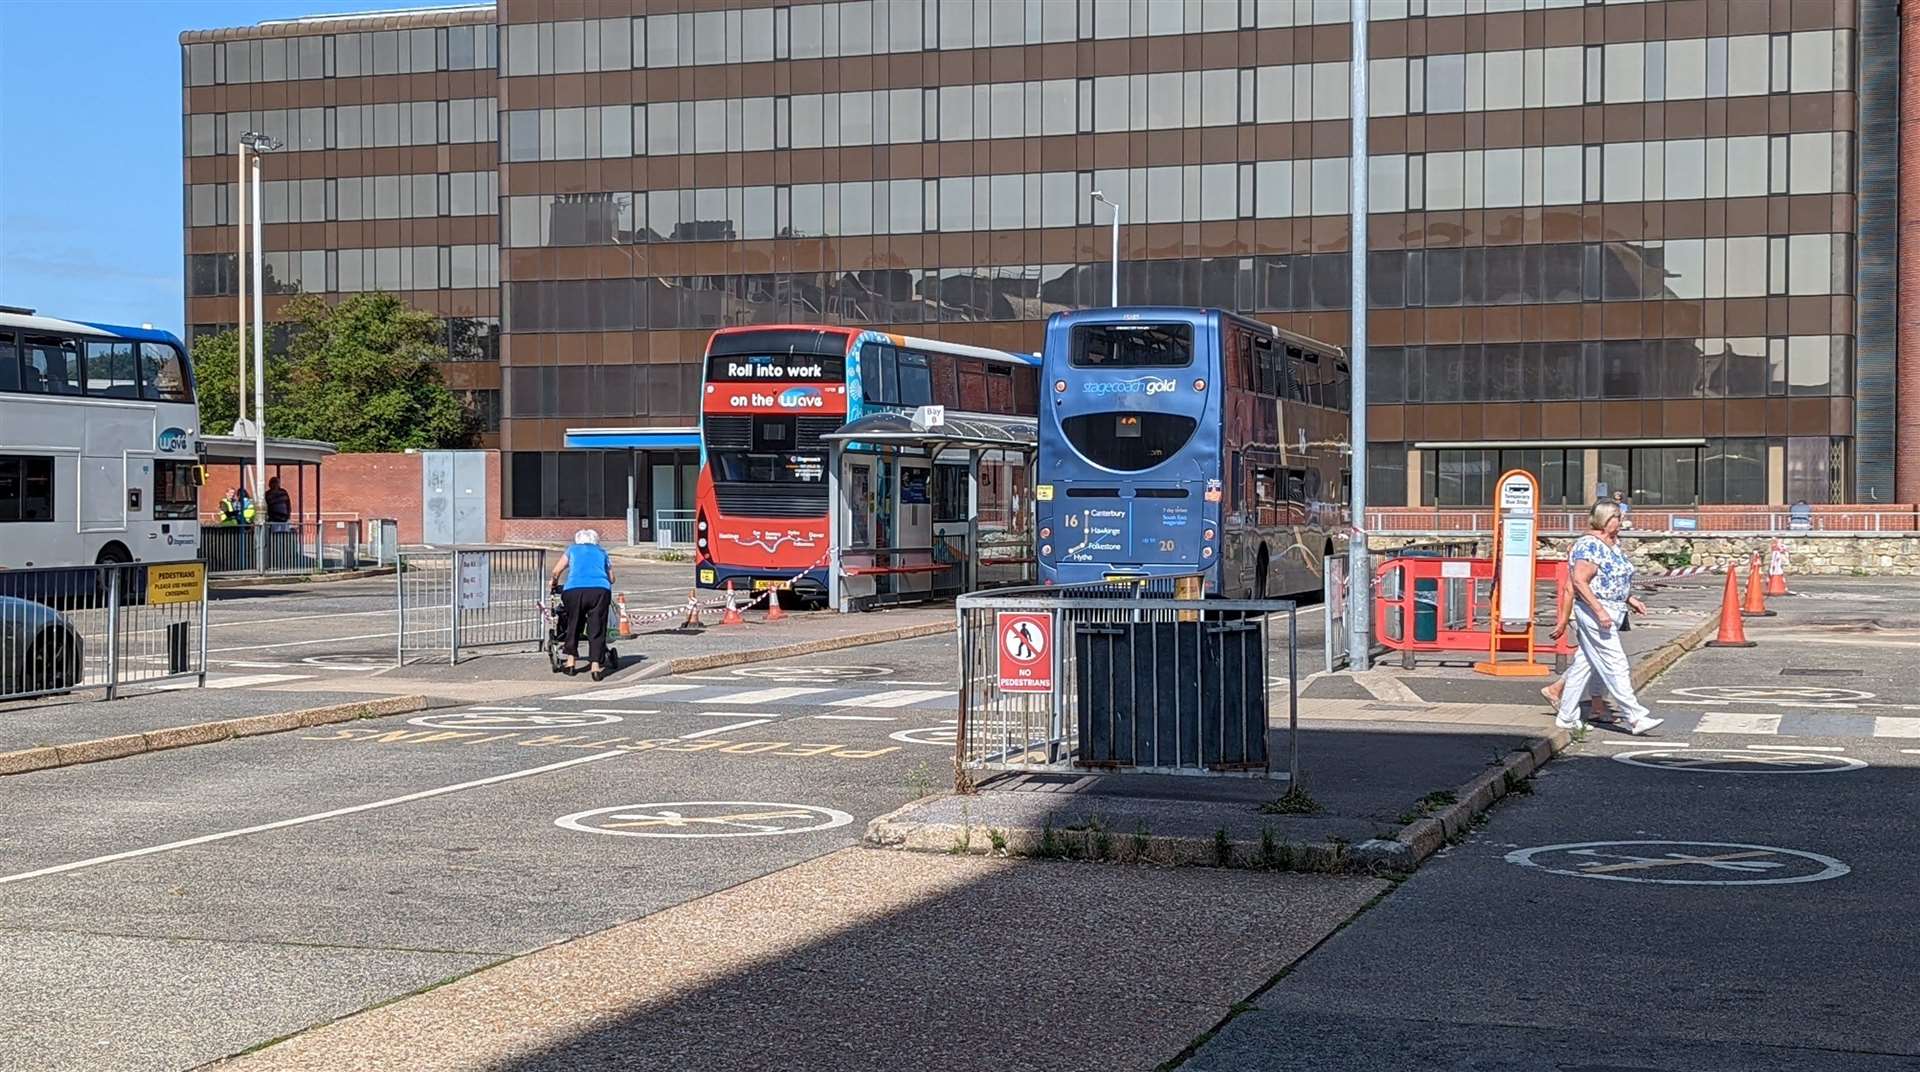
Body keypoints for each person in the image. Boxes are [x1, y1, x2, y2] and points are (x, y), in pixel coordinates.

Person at [1554, 501, 1662, 735]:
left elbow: (1614, 577)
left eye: (1620, 517)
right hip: (1595, 611)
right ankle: (1635, 716)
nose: (1620, 522)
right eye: (1616, 517)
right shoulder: (1588, 545)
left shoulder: (1613, 544)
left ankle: (1566, 715)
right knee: (1616, 663)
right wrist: (1599, 611)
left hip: (1613, 608)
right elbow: (1579, 581)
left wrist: (1629, 598)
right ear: (1603, 519)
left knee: (1585, 664)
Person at [550, 528, 616, 681]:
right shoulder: (602, 552)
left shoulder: (572, 550)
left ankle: (571, 662)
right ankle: (595, 666)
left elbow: (556, 571)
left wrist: (553, 582)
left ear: (577, 540)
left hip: (574, 590)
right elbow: (612, 578)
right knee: (597, 627)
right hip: (599, 591)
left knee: (573, 623)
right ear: (595, 540)